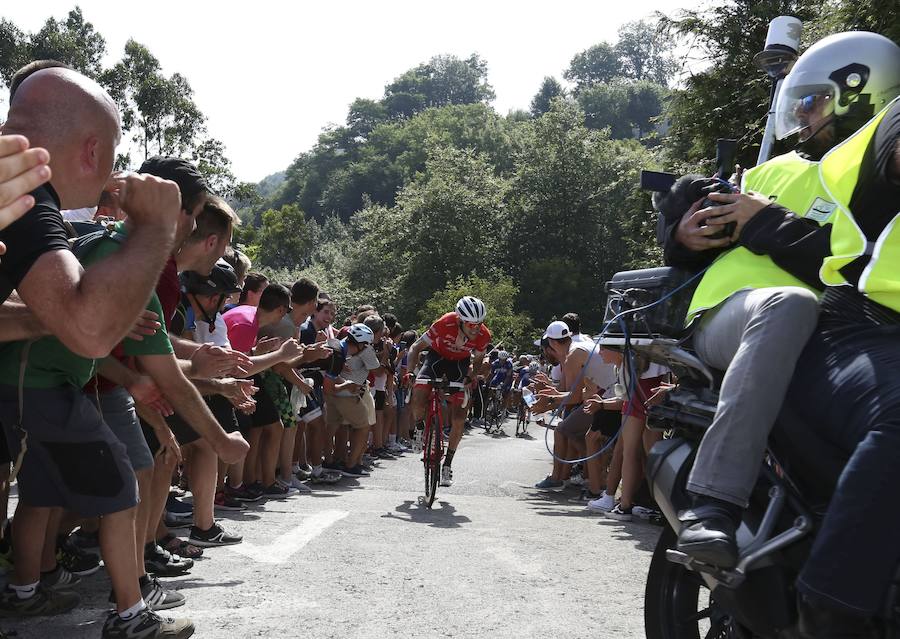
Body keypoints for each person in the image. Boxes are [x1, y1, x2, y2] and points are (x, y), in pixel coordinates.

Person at [659, 31, 900, 571]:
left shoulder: (876, 186)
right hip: (734, 313)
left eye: (814, 101)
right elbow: (697, 222)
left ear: (859, 94)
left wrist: (764, 223)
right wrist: (683, 234)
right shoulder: (778, 170)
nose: (803, 115)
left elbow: (849, 267)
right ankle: (713, 504)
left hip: (829, 337)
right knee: (790, 302)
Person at [0, 67, 196, 638]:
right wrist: (156, 229)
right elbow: (88, 329)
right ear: (92, 150)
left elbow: (70, 319)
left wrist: (56, 315)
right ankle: (128, 614)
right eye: (112, 155)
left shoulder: (23, 195)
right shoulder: (24, 192)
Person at [407, 296, 491, 487]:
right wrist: (410, 373)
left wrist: (471, 377)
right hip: (436, 359)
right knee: (419, 391)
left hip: (459, 364)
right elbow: (415, 347)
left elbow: (477, 360)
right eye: (471, 324)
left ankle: (447, 465)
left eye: (479, 324)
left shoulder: (483, 335)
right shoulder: (445, 322)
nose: (475, 328)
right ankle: (419, 427)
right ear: (460, 320)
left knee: (460, 417)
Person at [323, 323, 380, 477]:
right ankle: (351, 465)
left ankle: (328, 461)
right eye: (366, 345)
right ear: (361, 344)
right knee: (363, 426)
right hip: (344, 396)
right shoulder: (339, 354)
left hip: (332, 397)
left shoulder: (337, 346)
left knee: (331, 426)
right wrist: (347, 386)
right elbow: (328, 387)